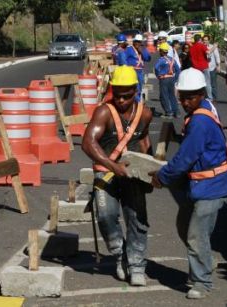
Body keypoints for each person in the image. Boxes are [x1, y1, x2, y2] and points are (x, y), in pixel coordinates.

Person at [149, 68, 227, 299]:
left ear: (202, 94)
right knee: (185, 226)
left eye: (191, 97)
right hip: (201, 184)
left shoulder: (199, 122)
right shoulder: (204, 109)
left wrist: (162, 177)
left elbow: (186, 157)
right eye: (182, 97)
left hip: (212, 186)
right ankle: (204, 260)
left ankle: (202, 282)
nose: (185, 102)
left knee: (196, 234)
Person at [82, 66, 153, 287]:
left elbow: (144, 141)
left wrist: (151, 171)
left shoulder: (145, 113)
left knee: (137, 219)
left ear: (135, 89)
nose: (121, 100)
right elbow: (88, 143)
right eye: (117, 94)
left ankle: (137, 265)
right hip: (107, 175)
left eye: (127, 95)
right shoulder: (104, 112)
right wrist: (112, 165)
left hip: (133, 175)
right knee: (105, 216)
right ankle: (120, 255)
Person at [155, 43, 181, 118]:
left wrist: (158, 76)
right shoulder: (172, 60)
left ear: (161, 51)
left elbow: (156, 68)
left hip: (164, 79)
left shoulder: (161, 60)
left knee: (164, 96)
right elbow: (178, 70)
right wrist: (175, 78)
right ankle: (176, 111)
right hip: (171, 79)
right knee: (172, 95)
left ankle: (168, 112)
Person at [124, 34, 151, 102]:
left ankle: (137, 101)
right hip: (132, 71)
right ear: (134, 42)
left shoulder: (143, 49)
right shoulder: (129, 49)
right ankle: (137, 102)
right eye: (136, 41)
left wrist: (141, 51)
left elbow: (148, 58)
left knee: (140, 88)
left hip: (140, 71)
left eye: (139, 42)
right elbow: (124, 60)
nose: (137, 43)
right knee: (135, 88)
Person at [189, 34, 213, 101]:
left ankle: (199, 96)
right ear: (199, 39)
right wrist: (214, 47)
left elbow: (191, 58)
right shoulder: (202, 45)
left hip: (196, 68)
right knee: (207, 82)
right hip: (204, 66)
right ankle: (210, 97)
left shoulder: (192, 48)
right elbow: (208, 52)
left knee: (198, 83)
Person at [203, 35, 221, 102]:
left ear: (209, 40)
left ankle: (214, 98)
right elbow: (208, 53)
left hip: (212, 68)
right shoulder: (202, 47)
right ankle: (207, 97)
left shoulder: (212, 47)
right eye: (204, 40)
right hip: (204, 68)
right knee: (205, 84)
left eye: (206, 40)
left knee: (213, 84)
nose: (205, 41)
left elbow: (217, 56)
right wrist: (214, 46)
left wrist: (218, 65)